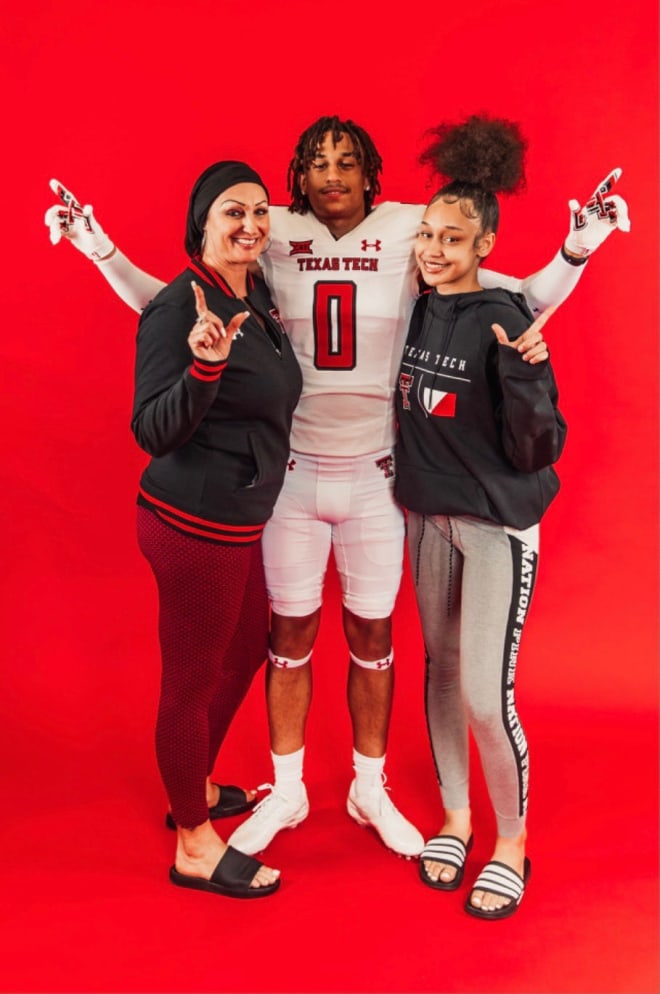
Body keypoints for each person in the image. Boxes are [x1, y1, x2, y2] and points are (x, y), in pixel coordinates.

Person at [44, 115, 629, 860]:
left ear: (369, 172)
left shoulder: (412, 229)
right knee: (288, 636)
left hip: (377, 470)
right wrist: (102, 251)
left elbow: (511, 300)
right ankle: (287, 790)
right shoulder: (271, 230)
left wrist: (577, 250)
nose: (331, 174)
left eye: (346, 161)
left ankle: (368, 784)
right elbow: (182, 306)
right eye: (316, 161)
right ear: (296, 174)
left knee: (372, 636)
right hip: (291, 472)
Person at [395, 116, 568, 918]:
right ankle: (456, 820)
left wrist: (530, 371)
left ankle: (512, 842)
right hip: (428, 522)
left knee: (483, 696)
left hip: (496, 527)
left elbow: (539, 448)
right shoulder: (420, 307)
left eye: (453, 239)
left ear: (485, 244)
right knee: (437, 673)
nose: (433, 249)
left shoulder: (504, 311)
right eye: (428, 233)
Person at [130, 160, 301, 897]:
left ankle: (188, 786)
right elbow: (151, 429)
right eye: (234, 212)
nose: (251, 225)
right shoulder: (179, 308)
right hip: (193, 525)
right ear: (202, 220)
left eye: (261, 211)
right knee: (192, 678)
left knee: (247, 648)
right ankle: (194, 845)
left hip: (241, 515)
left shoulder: (249, 290)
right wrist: (204, 369)